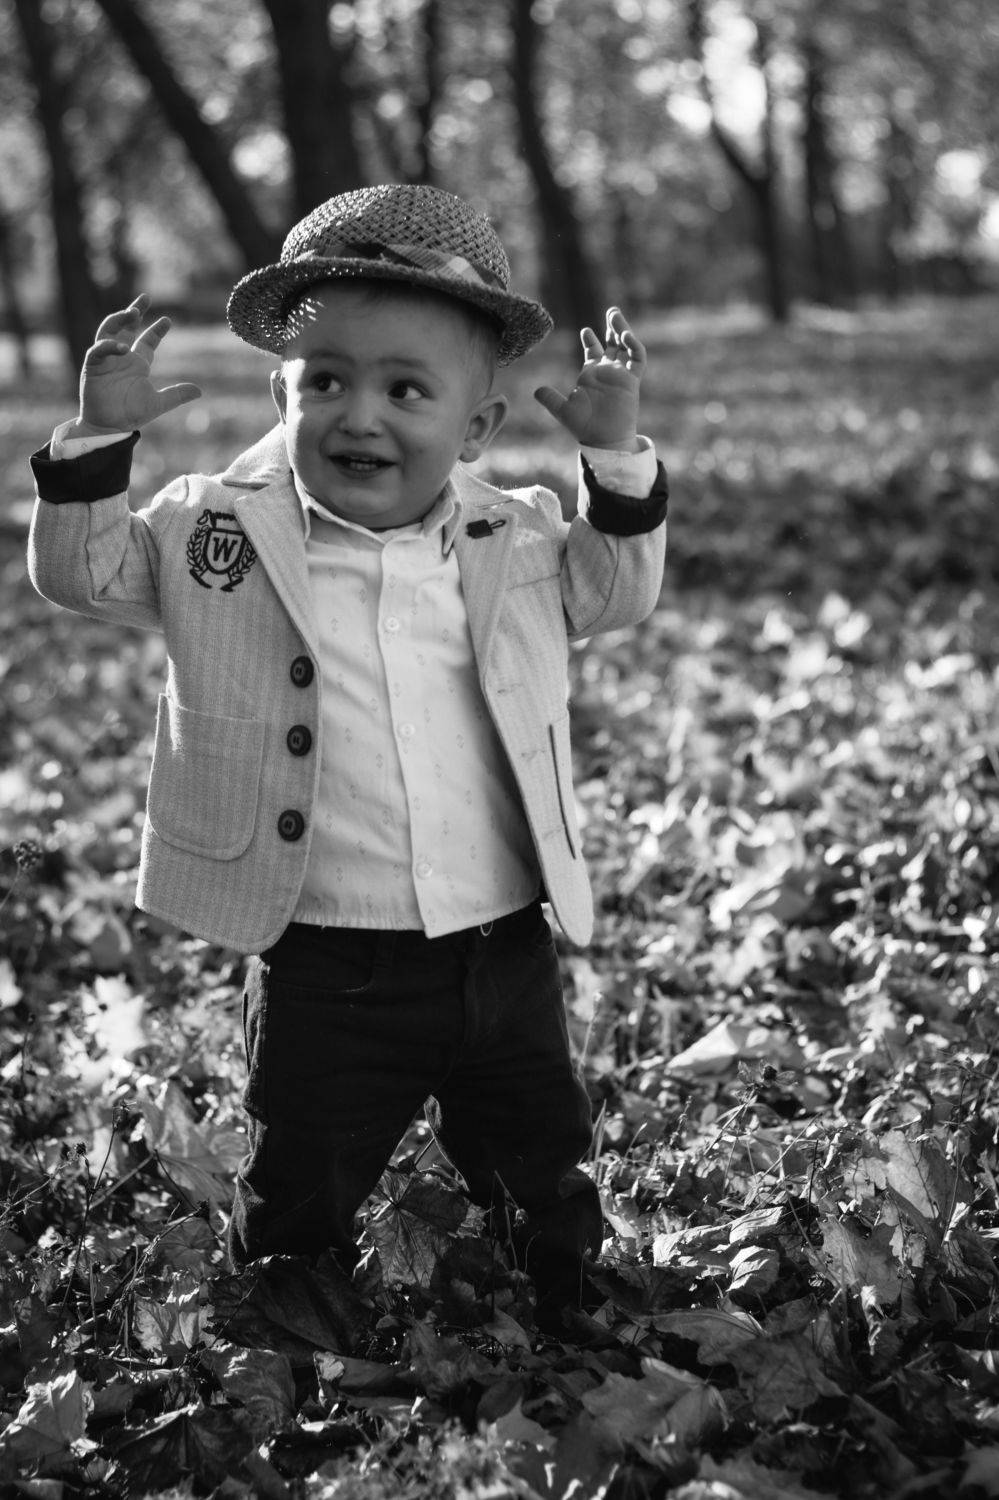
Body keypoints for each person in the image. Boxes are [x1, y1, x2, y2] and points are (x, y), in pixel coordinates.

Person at [28, 184, 667, 1324]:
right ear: (282, 394)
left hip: (500, 937)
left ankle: (567, 1296)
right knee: (305, 1161)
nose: (359, 416)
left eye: (406, 391)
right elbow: (82, 572)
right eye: (325, 381)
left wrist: (613, 458)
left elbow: (615, 594)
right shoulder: (213, 526)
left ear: (475, 428)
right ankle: (289, 1310)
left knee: (538, 1146)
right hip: (325, 948)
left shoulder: (516, 535)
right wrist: (98, 441)